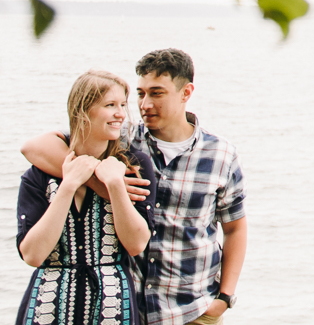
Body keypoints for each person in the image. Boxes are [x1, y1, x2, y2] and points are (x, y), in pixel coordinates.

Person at [24, 48, 247, 325]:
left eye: (157, 93)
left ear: (186, 92)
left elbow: (235, 228)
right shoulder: (122, 139)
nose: (144, 104)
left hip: (193, 310)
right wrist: (97, 181)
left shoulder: (221, 154)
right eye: (140, 94)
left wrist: (225, 298)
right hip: (129, 309)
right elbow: (35, 147)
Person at [15, 70, 156, 325]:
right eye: (110, 105)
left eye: (123, 105)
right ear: (82, 110)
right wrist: (68, 185)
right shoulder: (38, 176)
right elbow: (33, 255)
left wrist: (114, 185)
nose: (121, 114)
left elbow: (136, 244)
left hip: (112, 308)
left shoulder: (134, 166)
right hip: (48, 307)